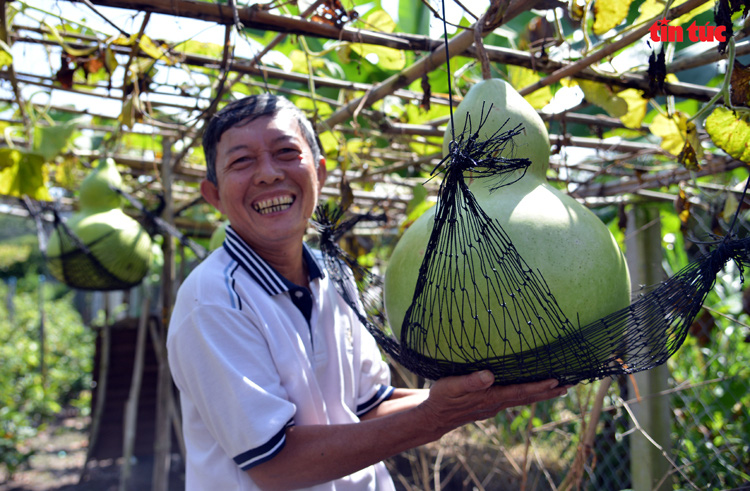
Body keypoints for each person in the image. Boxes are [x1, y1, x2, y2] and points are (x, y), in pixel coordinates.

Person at [167, 93, 568, 490]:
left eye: (286, 152)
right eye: (242, 161)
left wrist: (485, 391)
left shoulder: (331, 273)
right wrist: (436, 417)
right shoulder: (213, 300)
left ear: (320, 173)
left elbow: (369, 405)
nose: (268, 174)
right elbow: (277, 465)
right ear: (213, 195)